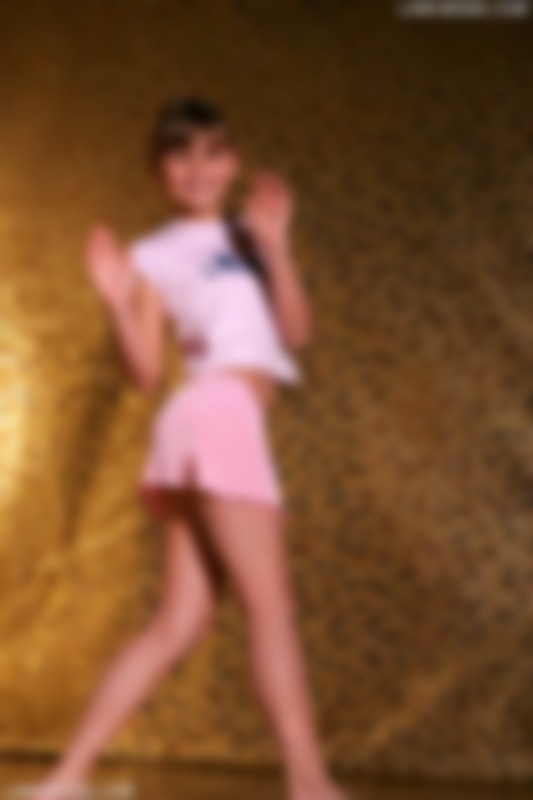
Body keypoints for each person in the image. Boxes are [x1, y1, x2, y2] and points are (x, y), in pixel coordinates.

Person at [31, 97, 348, 800]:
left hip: (208, 422)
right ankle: (309, 784)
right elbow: (146, 373)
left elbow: (295, 332)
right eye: (180, 157)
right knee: (272, 612)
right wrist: (116, 302)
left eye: (212, 153)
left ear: (232, 164)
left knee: (180, 623)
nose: (198, 169)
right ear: (157, 172)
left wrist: (277, 245)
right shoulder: (151, 254)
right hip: (215, 415)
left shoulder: (250, 236)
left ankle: (66, 780)